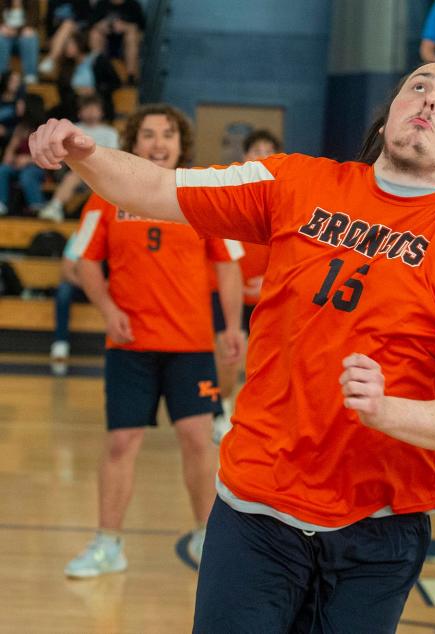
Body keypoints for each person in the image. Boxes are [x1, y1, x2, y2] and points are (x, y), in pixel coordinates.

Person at [30, 61, 435, 631]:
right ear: (387, 114)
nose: (432, 100)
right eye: (418, 86)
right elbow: (160, 187)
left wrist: (387, 411)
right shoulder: (296, 182)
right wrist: (83, 152)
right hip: (256, 509)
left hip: (379, 528)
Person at [58, 104, 245, 578]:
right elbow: (83, 263)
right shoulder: (105, 196)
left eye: (167, 135)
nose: (158, 143)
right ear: (133, 143)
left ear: (181, 143)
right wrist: (109, 310)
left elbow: (227, 267)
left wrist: (230, 326)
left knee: (198, 440)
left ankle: (208, 538)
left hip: (191, 347)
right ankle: (108, 544)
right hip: (130, 348)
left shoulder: (201, 196)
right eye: (147, 135)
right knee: (121, 442)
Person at [211, 128, 281, 444]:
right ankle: (218, 410)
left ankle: (260, 420)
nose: (262, 155)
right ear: (245, 157)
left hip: (269, 297)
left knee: (269, 364)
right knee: (226, 357)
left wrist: (270, 281)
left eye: (269, 150)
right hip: (228, 295)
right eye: (256, 149)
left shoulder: (288, 201)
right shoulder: (229, 196)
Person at [39, 94, 118, 222]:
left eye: (95, 108)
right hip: (72, 169)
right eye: (87, 108)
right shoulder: (73, 128)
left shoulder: (110, 132)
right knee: (76, 174)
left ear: (102, 112)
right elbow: (62, 152)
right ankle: (55, 207)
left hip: (100, 172)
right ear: (80, 112)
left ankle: (55, 206)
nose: (91, 112)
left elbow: (113, 156)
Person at [49, 230, 87, 374]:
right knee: (64, 290)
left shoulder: (114, 233)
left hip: (107, 285)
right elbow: (66, 270)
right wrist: (90, 285)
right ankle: (60, 343)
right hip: (82, 284)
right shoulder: (81, 235)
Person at [89, 0, 145, 84]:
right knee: (95, 34)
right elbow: (93, 23)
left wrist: (125, 27)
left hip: (126, 41)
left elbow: (141, 28)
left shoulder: (133, 5)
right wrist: (102, 26)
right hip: (107, 39)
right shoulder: (102, 3)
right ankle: (98, 70)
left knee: (132, 35)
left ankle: (131, 77)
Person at [0, 0, 39, 83]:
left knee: (30, 37)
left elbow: (34, 22)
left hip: (23, 38)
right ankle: (1, 75)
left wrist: (16, 31)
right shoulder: (2, 3)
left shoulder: (32, 2)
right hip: (5, 38)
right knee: (1, 39)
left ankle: (30, 76)